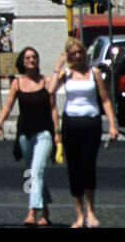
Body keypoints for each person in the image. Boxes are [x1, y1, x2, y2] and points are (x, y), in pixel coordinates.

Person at [51, 38, 120, 227]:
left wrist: (112, 124)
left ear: (84, 53)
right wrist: (58, 65)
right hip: (71, 122)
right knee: (74, 169)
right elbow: (50, 91)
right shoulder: (66, 74)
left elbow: (105, 99)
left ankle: (91, 212)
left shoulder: (94, 72)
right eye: (73, 54)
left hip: (91, 122)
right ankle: (79, 215)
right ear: (69, 56)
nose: (78, 56)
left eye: (80, 52)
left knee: (88, 166)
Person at [0, 46, 60, 225]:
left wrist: (57, 132)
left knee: (36, 170)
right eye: (28, 57)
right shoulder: (17, 83)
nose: (32, 60)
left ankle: (32, 211)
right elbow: (8, 105)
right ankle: (45, 210)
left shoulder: (46, 81)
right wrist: (0, 121)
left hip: (44, 133)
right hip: (24, 133)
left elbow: (54, 109)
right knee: (31, 172)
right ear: (22, 62)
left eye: (34, 57)